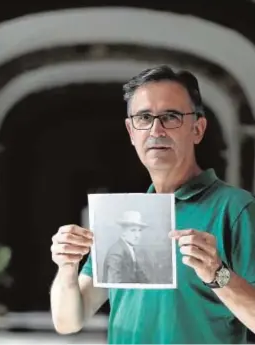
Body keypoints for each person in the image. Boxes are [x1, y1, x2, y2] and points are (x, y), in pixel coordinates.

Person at [50, 65, 255, 344]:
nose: (156, 129)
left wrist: (217, 275)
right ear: (131, 132)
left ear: (198, 128)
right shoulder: (123, 216)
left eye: (171, 117)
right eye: (144, 117)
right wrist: (66, 266)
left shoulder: (235, 209)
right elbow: (68, 321)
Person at [102, 210, 150, 284]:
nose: (137, 235)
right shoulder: (116, 252)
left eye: (139, 230)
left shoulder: (131, 249)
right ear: (123, 232)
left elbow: (139, 275)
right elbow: (114, 284)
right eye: (133, 230)